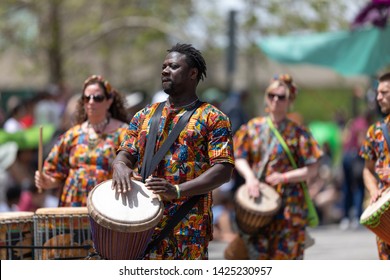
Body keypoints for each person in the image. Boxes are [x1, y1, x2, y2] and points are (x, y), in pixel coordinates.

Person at [111, 43, 235, 260]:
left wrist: (177, 191)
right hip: (143, 223)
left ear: (192, 74)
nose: (165, 70)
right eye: (164, 66)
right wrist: (120, 165)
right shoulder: (144, 116)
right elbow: (126, 152)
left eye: (174, 66)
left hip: (188, 227)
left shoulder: (214, 118)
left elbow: (223, 170)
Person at [233, 74, 323, 260]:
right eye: (271, 95)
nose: (275, 99)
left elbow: (313, 168)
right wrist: (250, 178)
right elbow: (239, 156)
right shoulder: (253, 127)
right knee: (257, 258)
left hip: (290, 207)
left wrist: (284, 178)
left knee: (287, 258)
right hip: (259, 201)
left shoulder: (299, 132)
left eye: (281, 96)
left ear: (290, 101)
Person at [34, 75, 129, 207]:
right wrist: (46, 181)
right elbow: (55, 174)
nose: (91, 102)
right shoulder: (72, 135)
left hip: (107, 207)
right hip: (73, 211)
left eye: (97, 98)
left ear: (109, 101)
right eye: (86, 98)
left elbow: (133, 170)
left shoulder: (123, 133)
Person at [359, 72, 390, 260]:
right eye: (378, 92)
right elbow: (367, 169)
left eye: (385, 92)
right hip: (386, 214)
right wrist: (373, 191)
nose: (378, 97)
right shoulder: (375, 131)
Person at [339, 110, 372, 230]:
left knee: (346, 187)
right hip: (356, 157)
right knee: (359, 187)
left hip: (346, 156)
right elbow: (361, 142)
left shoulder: (353, 123)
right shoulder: (363, 124)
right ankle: (357, 216)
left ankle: (346, 217)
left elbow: (344, 140)